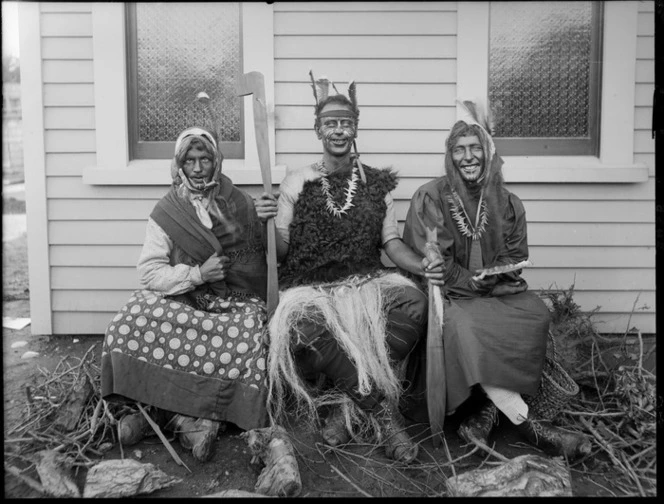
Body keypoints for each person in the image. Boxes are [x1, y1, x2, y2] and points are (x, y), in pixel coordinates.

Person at [254, 72, 444, 465]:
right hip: (312, 286)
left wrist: (423, 266)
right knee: (301, 324)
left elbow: (391, 245)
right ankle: (380, 410)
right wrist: (266, 222)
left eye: (345, 123)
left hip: (365, 281)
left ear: (355, 127)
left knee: (414, 306)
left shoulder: (376, 184)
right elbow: (283, 252)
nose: (338, 131)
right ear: (318, 130)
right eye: (330, 124)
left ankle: (346, 402)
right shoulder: (295, 183)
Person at [401, 100, 591, 460]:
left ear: (488, 154)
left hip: (496, 291)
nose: (468, 157)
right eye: (459, 150)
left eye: (476, 148)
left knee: (535, 314)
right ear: (449, 156)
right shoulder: (431, 197)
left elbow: (514, 256)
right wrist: (467, 281)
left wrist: (494, 274)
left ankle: (486, 412)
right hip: (453, 294)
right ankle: (526, 423)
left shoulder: (507, 202)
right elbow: (434, 259)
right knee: (468, 325)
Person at [101, 127, 274, 462]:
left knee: (249, 331)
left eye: (205, 159)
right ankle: (180, 418)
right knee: (128, 320)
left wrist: (266, 220)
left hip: (232, 302)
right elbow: (150, 273)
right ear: (178, 164)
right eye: (190, 160)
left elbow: (259, 262)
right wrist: (197, 274)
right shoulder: (168, 211)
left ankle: (180, 417)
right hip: (185, 296)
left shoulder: (239, 203)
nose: (198, 168)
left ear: (216, 161)